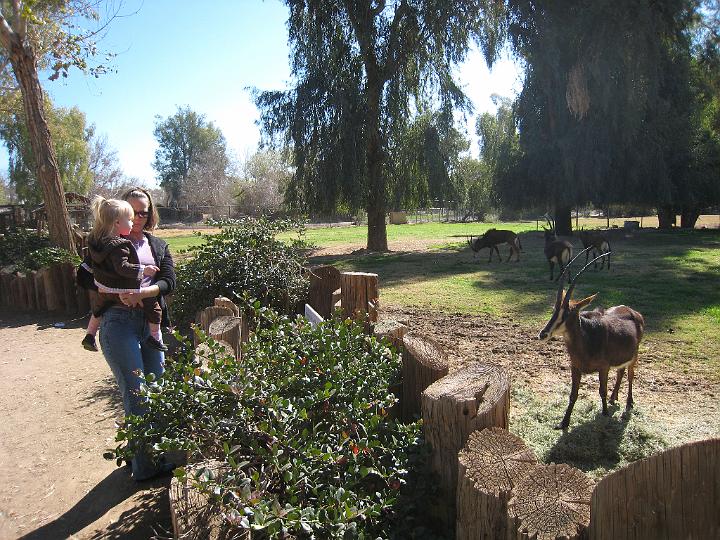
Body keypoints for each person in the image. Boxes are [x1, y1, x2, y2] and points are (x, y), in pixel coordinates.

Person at [97, 186, 177, 481]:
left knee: (157, 389)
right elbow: (86, 278)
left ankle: (151, 455)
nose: (139, 217)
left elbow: (169, 281)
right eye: (133, 211)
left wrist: (142, 292)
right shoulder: (106, 244)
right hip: (118, 323)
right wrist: (118, 294)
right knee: (137, 393)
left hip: (149, 321)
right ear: (120, 212)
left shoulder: (157, 244)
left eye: (144, 211)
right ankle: (144, 467)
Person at [81, 197, 166, 352]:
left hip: (107, 291)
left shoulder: (100, 242)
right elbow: (121, 267)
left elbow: (168, 281)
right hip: (121, 300)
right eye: (131, 217)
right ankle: (156, 338)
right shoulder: (119, 245)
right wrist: (143, 270)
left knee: (98, 308)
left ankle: (89, 334)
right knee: (153, 307)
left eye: (143, 213)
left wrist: (103, 285)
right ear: (117, 222)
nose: (135, 220)